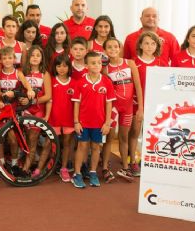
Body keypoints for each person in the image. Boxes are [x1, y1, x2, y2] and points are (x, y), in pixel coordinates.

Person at [71, 51, 115, 188]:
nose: (96, 65)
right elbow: (76, 103)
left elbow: (109, 104)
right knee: (82, 147)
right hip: (83, 123)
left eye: (99, 63)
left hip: (99, 123)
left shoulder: (107, 82)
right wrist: (76, 122)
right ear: (86, 65)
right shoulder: (80, 82)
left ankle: (93, 172)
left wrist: (107, 123)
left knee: (96, 147)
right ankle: (77, 174)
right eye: (93, 63)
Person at [102, 37, 143, 183]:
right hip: (113, 107)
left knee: (124, 137)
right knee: (109, 137)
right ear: (105, 50)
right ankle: (105, 167)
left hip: (128, 107)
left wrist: (141, 108)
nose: (113, 50)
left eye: (115, 47)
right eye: (109, 47)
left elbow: (138, 87)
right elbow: (106, 92)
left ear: (120, 48)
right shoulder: (105, 69)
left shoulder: (130, 63)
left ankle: (125, 167)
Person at [0, 46, 34, 175]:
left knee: (13, 138)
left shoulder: (18, 73)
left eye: (10, 58)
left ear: (14, 59)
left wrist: (30, 90)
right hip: (1, 110)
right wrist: (2, 95)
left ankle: (15, 164)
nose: (7, 60)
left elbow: (28, 86)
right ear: (0, 60)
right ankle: (1, 164)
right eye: (4, 58)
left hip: (14, 110)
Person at [130, 31, 164, 177]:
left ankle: (148, 161)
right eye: (146, 43)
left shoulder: (162, 63)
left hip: (155, 105)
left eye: (153, 43)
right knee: (135, 134)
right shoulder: (133, 62)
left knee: (152, 135)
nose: (149, 46)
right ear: (140, 45)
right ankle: (133, 161)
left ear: (157, 46)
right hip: (136, 104)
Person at [19, 45, 52, 177]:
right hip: (23, 110)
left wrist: (32, 101)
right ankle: (27, 163)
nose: (35, 58)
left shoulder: (45, 74)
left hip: (37, 111)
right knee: (26, 139)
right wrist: (22, 99)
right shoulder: (22, 72)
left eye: (38, 55)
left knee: (32, 139)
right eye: (32, 55)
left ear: (42, 58)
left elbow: (48, 96)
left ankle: (25, 169)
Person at [48, 54, 76, 183]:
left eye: (65, 65)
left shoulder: (74, 83)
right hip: (54, 119)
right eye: (59, 66)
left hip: (69, 119)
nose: (62, 68)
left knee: (67, 144)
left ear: (69, 67)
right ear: (55, 67)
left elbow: (77, 103)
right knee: (51, 144)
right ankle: (50, 165)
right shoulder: (51, 80)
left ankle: (64, 168)